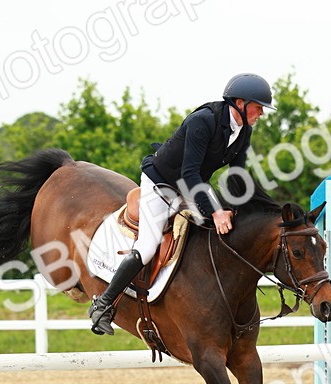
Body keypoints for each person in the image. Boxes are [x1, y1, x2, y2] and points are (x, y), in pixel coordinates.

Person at [88, 73, 274, 335]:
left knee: (219, 230)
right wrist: (216, 210)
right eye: (259, 106)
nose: (262, 113)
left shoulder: (243, 130)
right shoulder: (203, 121)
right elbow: (189, 173)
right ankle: (103, 305)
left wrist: (245, 210)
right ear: (240, 103)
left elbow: (237, 175)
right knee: (148, 246)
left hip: (192, 184)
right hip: (161, 182)